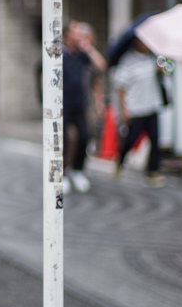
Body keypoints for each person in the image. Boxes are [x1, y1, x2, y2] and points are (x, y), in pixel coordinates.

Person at [111, 38, 167, 187]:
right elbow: (121, 86)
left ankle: (152, 171)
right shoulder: (128, 61)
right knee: (131, 139)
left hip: (152, 106)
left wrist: (161, 69)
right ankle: (120, 161)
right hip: (136, 108)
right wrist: (123, 109)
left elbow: (168, 70)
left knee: (155, 140)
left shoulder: (153, 58)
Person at [62, 21, 106, 192]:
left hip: (80, 103)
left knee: (84, 137)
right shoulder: (58, 54)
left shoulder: (81, 55)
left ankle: (77, 170)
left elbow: (100, 65)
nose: (79, 34)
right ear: (66, 35)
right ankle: (62, 173)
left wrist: (88, 48)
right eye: (76, 32)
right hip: (63, 104)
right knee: (63, 140)